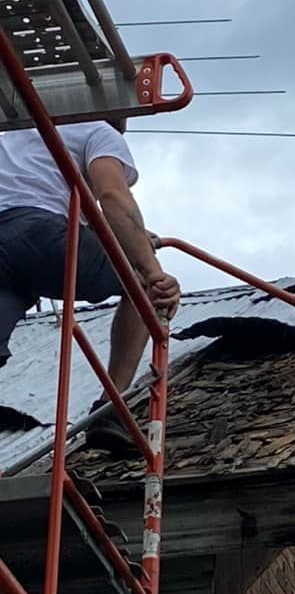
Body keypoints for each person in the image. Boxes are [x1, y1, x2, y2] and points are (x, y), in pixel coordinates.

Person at [0, 118, 181, 450]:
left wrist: (128, 238)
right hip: (40, 233)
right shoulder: (98, 130)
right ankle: (112, 409)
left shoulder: (12, 131)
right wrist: (151, 268)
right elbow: (112, 196)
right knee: (144, 286)